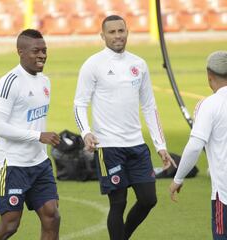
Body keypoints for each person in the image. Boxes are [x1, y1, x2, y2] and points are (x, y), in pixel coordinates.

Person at [73, 15, 175, 240]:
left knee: (149, 199)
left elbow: (150, 106)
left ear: (127, 32)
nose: (118, 36)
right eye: (112, 32)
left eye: (121, 31)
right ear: (103, 36)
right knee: (118, 203)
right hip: (108, 147)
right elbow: (80, 103)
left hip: (136, 146)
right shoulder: (93, 64)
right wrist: (86, 132)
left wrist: (161, 145)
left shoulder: (139, 64)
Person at [0, 29, 61, 240]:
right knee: (9, 226)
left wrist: (43, 138)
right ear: (20, 52)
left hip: (39, 163)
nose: (42, 55)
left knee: (52, 216)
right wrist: (37, 136)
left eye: (44, 50)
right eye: (36, 51)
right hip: (12, 165)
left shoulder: (45, 81)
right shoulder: (10, 82)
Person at [170, 50, 227, 239]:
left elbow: (195, 146)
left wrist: (178, 178)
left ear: (209, 77)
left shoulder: (209, 105)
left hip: (224, 193)